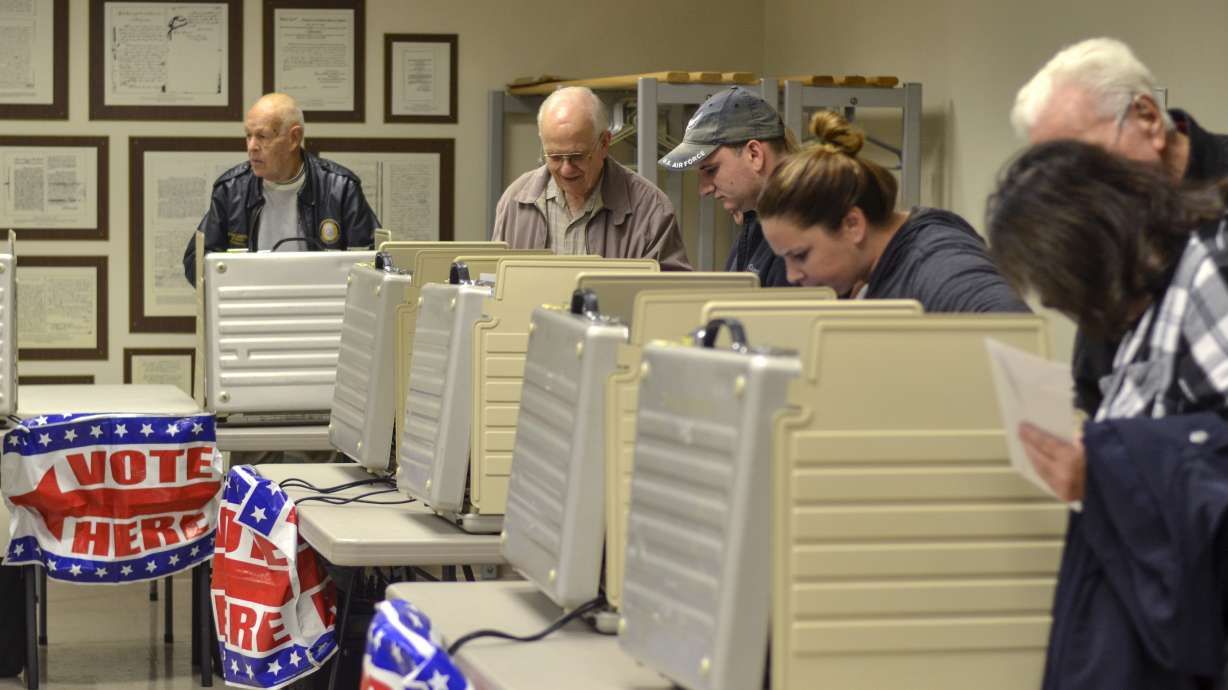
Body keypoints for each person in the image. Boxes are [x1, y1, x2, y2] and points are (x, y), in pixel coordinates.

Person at [986, 139, 1228, 690]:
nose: (1059, 304)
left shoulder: (1210, 275)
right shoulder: (1151, 308)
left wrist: (1106, 469)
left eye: (1057, 282)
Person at [1012, 37, 1228, 414]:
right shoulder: (1108, 229)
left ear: (1147, 118)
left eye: (1082, 162)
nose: (1072, 191)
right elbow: (1095, 382)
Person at [754, 110, 1028, 313]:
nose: (792, 275)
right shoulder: (876, 269)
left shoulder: (938, 264)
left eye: (800, 255)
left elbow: (1011, 324)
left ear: (853, 225)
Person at [182, 93, 379, 285]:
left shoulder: (340, 188)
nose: (251, 147)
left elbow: (374, 261)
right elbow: (195, 262)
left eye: (262, 136)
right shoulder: (231, 190)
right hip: (250, 303)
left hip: (321, 303)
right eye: (248, 136)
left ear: (294, 138)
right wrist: (236, 276)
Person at [492, 86, 691, 270]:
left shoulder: (650, 211)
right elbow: (495, 283)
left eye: (577, 156)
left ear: (604, 143)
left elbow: (668, 293)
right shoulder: (515, 202)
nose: (566, 169)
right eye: (555, 157)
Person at [659, 86, 796, 286]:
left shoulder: (801, 233)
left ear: (754, 154)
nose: (703, 190)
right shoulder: (756, 222)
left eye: (711, 170)